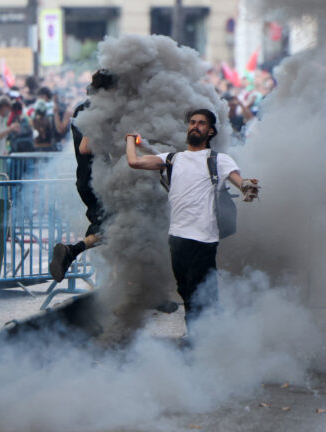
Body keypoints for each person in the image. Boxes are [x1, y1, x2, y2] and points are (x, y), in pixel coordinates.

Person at [124, 108, 260, 330]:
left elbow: (240, 181)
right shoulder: (172, 158)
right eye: (193, 122)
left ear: (210, 131)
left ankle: (203, 342)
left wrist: (248, 187)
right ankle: (204, 336)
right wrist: (129, 139)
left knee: (200, 295)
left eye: (202, 123)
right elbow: (134, 162)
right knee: (186, 291)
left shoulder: (219, 159)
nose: (195, 126)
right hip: (177, 237)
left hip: (203, 239)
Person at [49, 69, 117, 283]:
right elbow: (86, 146)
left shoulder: (82, 108)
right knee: (119, 227)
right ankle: (72, 252)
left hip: (91, 180)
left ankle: (75, 254)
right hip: (97, 181)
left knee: (111, 228)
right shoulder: (94, 110)